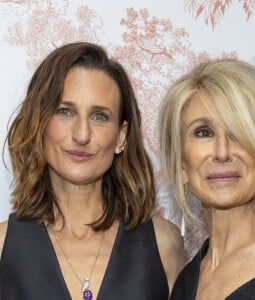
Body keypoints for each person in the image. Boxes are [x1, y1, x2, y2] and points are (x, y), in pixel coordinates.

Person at [0, 42, 184, 300]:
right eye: (65, 112)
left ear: (121, 136)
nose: (82, 135)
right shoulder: (3, 246)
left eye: (100, 116)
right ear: (39, 123)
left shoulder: (164, 243)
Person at [159, 58, 255, 299]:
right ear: (181, 165)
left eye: (238, 132)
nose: (222, 152)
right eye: (203, 132)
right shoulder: (184, 284)